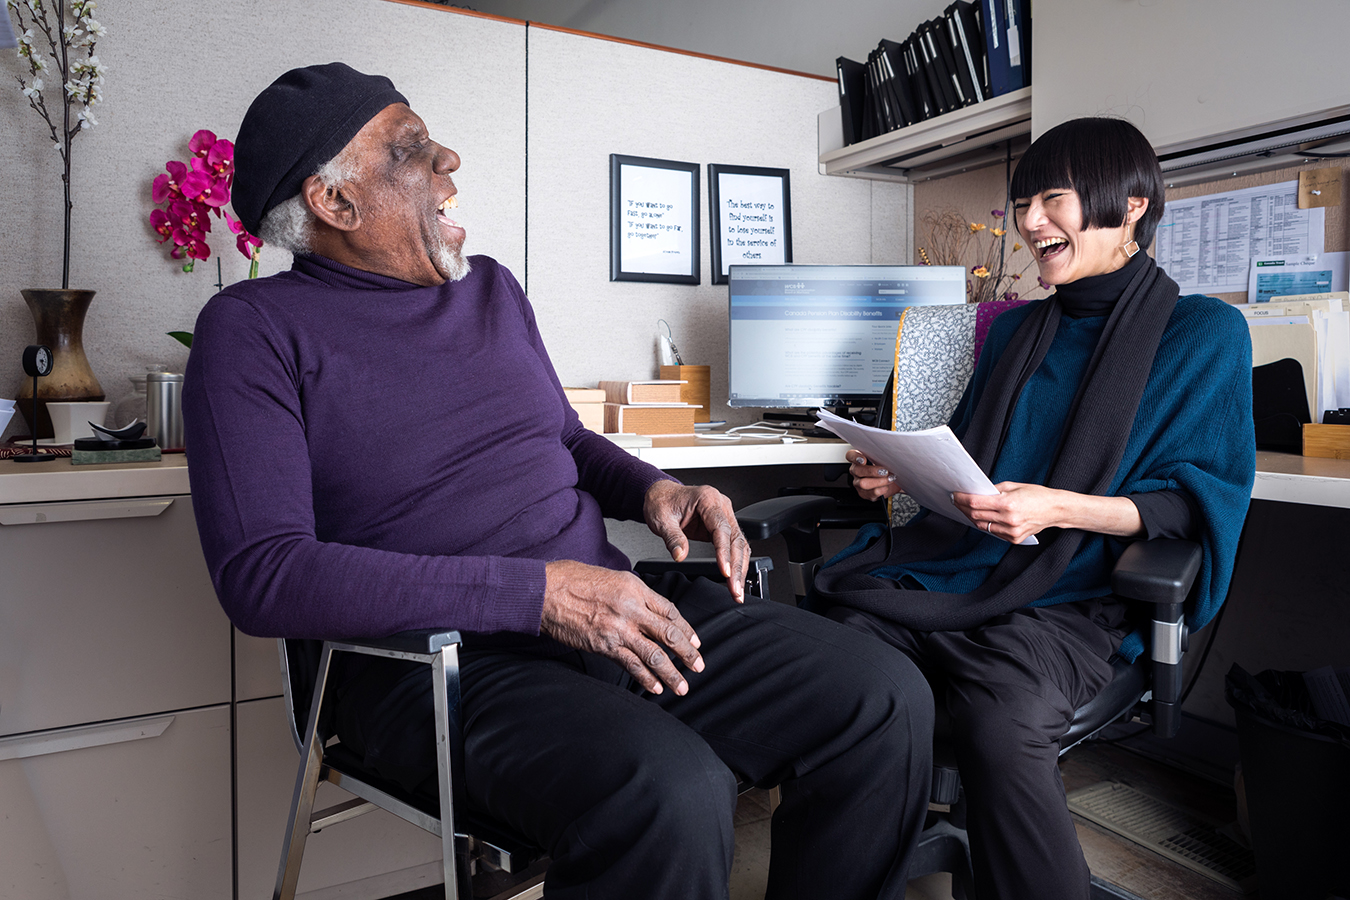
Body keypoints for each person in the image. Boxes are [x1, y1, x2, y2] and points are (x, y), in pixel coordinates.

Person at [182, 63, 933, 900]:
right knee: (669, 790)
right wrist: (537, 596)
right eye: (413, 150)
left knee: (880, 695)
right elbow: (265, 576)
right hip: (438, 668)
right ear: (336, 203)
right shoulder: (252, 333)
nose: (450, 160)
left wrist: (656, 490)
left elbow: (565, 442)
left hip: (609, 615)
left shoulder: (493, 292)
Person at [816, 117, 1255, 900]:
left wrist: (1066, 510)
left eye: (1051, 200)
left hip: (1071, 598)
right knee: (844, 667)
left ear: (1128, 207)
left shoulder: (1204, 333)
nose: (1028, 223)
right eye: (1024, 204)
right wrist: (900, 477)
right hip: (963, 567)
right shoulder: (1016, 330)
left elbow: (1192, 504)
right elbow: (981, 474)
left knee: (1000, 721)